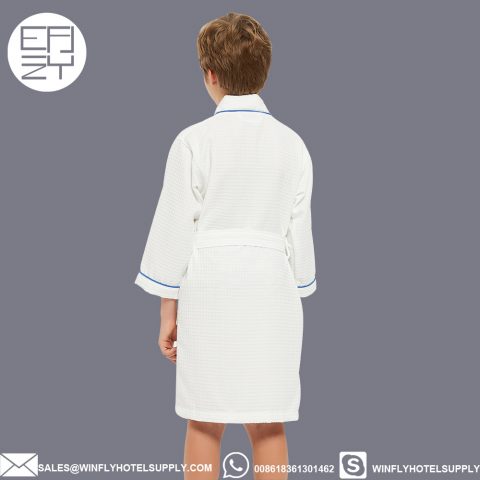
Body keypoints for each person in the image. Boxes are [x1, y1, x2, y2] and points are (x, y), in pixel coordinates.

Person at [134, 11, 316, 480]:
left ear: (210, 74)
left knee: (204, 416)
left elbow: (174, 229)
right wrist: (299, 285)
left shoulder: (193, 141)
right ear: (264, 71)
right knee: (268, 417)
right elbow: (299, 232)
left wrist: (168, 316)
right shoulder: (292, 144)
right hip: (272, 293)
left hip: (210, 292)